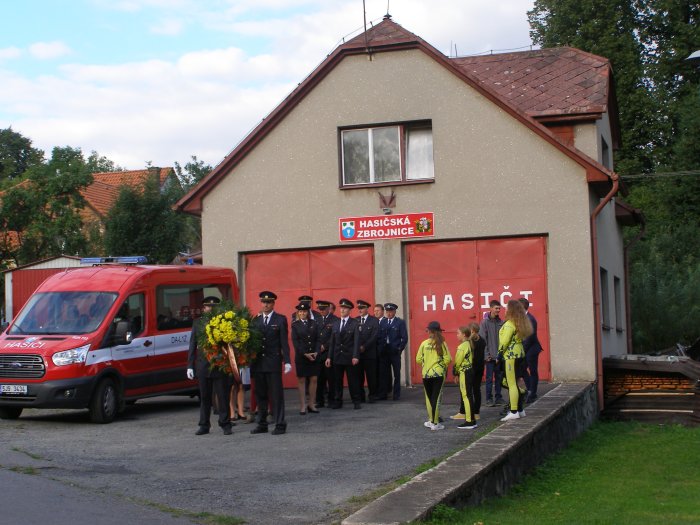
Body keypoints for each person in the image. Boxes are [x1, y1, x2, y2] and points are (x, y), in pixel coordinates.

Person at [187, 296, 233, 436]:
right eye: (208, 306)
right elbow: (193, 344)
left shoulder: (224, 322)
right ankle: (204, 425)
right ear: (204, 308)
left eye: (214, 307)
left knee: (222, 396)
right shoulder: (198, 323)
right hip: (203, 365)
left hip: (220, 364)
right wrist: (190, 365)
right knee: (205, 397)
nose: (211, 309)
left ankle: (225, 424)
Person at [250, 291, 292, 435]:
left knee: (276, 395)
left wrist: (287, 361)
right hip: (258, 363)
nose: (265, 305)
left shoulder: (280, 319)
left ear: (273, 304)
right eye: (263, 302)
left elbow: (284, 342)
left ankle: (280, 424)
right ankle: (262, 424)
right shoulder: (255, 320)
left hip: (273, 362)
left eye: (268, 302)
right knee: (260, 394)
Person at [499, 299, 532, 421]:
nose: (505, 309)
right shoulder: (519, 323)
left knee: (511, 383)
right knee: (514, 383)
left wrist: (499, 355)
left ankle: (513, 411)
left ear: (511, 310)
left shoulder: (509, 324)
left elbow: (504, 342)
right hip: (519, 354)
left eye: (506, 308)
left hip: (510, 356)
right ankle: (520, 409)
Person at [325, 298, 361, 409]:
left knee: (352, 381)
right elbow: (332, 342)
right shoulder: (335, 323)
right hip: (337, 356)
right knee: (337, 381)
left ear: (349, 310)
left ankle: (356, 401)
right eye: (341, 308)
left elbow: (356, 341)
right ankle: (338, 401)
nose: (342, 310)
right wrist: (329, 357)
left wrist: (355, 356)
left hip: (349, 357)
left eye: (345, 308)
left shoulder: (354, 323)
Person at [416, 321, 451, 430]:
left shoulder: (424, 343)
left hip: (426, 374)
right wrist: (440, 366)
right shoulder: (442, 343)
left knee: (429, 398)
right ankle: (435, 423)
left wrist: (426, 364)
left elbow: (418, 359)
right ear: (439, 331)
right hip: (438, 373)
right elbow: (448, 359)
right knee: (436, 398)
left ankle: (431, 420)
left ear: (429, 331)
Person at [291, 302, 320, 414]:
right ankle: (303, 405)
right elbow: (296, 342)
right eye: (300, 311)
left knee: (314, 379)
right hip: (302, 356)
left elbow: (318, 339)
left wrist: (316, 351)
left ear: (308, 312)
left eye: (304, 311)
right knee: (302, 380)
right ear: (298, 313)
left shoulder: (314, 323)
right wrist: (304, 353)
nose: (302, 313)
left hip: (314, 355)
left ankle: (311, 404)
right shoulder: (295, 325)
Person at [378, 303, 408, 400]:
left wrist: (399, 349)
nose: (388, 313)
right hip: (384, 352)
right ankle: (384, 393)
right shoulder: (383, 322)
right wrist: (380, 348)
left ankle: (396, 394)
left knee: (396, 374)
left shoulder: (400, 322)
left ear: (394, 312)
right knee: (384, 374)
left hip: (394, 352)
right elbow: (379, 336)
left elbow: (404, 338)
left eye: (390, 311)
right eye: (387, 311)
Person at [518, 297, 543, 403]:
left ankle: (532, 393)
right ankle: (530, 390)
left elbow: (529, 337)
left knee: (532, 371)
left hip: (531, 349)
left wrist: (522, 350)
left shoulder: (530, 319)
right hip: (526, 348)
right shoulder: (522, 318)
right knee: (522, 369)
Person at [480, 300, 504, 407]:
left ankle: (498, 398)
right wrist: (486, 355)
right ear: (491, 308)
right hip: (489, 357)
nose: (498, 310)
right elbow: (483, 340)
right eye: (496, 308)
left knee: (499, 378)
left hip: (499, 357)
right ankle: (489, 399)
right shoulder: (484, 323)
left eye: (499, 308)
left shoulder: (501, 322)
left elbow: (503, 340)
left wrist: (501, 355)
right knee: (489, 379)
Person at [453, 326, 478, 429]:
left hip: (464, 372)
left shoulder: (462, 346)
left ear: (464, 335)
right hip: (469, 371)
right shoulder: (469, 344)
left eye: (458, 333)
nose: (457, 335)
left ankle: (469, 421)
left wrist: (455, 373)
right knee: (469, 395)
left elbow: (458, 361)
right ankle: (472, 419)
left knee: (466, 396)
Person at [315, 299, 337, 408]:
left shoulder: (335, 320)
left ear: (328, 308)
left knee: (331, 378)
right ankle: (319, 400)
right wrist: (318, 346)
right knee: (319, 379)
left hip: (329, 353)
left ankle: (332, 400)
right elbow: (314, 335)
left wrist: (325, 346)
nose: (321, 311)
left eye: (323, 309)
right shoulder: (317, 319)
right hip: (319, 354)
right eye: (320, 309)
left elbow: (335, 336)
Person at [356, 299, 379, 403]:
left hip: (369, 354)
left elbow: (374, 336)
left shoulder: (374, 320)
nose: (360, 310)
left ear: (367, 309)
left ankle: (372, 396)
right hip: (358, 354)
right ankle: (361, 396)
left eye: (362, 308)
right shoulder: (355, 320)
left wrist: (364, 346)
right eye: (359, 308)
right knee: (359, 377)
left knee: (371, 377)